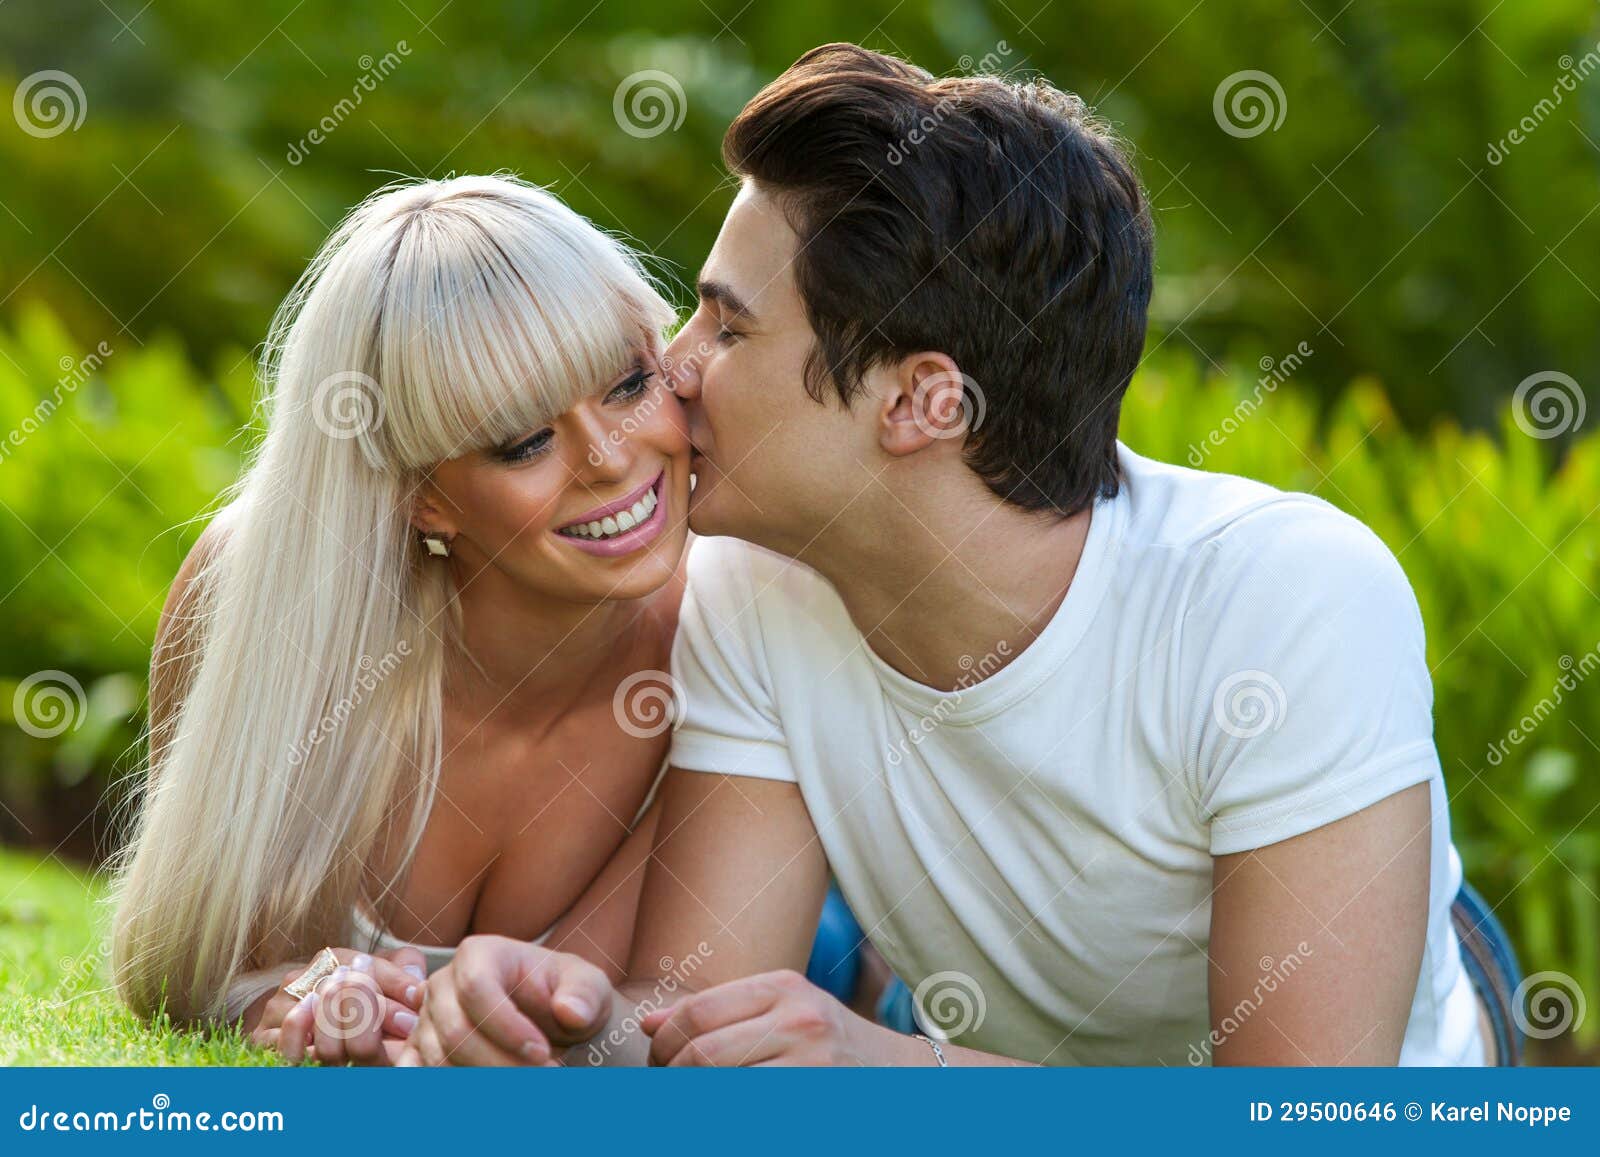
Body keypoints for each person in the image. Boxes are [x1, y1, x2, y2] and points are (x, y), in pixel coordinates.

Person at [400, 45, 1522, 1067]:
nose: (671, 369)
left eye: (728, 329)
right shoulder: (754, 591)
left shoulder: (1283, 600)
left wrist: (892, 1071)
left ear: (921, 399)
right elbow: (699, 1019)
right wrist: (542, 1014)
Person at [110, 173, 697, 1064]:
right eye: (525, 442)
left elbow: (680, 1032)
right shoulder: (263, 598)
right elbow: (188, 959)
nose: (611, 458)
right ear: (424, 498)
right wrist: (283, 998)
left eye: (627, 385)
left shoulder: (728, 630)